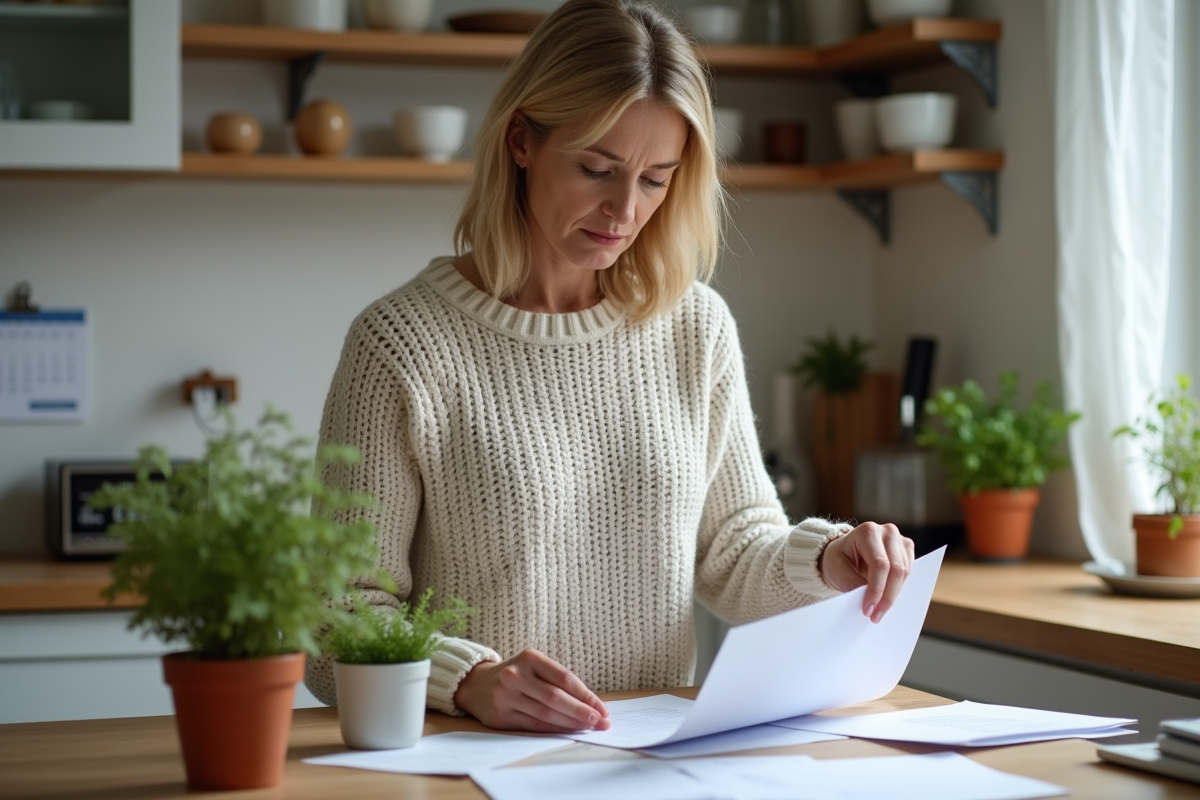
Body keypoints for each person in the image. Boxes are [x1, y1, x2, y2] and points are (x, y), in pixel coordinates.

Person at [305, 0, 914, 734]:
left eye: (657, 179)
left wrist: (828, 560)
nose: (625, 209)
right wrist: (467, 681)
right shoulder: (401, 344)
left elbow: (734, 553)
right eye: (598, 168)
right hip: (471, 761)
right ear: (522, 140)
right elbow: (338, 617)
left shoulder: (695, 327)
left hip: (650, 760)